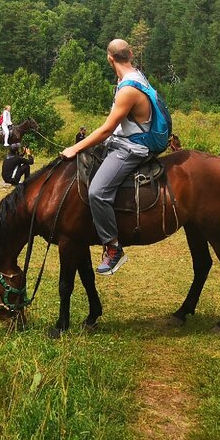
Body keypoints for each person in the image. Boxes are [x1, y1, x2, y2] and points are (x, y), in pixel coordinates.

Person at [62, 38, 158, 276]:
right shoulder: (134, 76)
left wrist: (75, 148)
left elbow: (106, 128)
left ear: (109, 58)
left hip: (133, 147)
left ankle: (113, 248)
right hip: (124, 138)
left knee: (97, 191)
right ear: (131, 54)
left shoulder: (128, 89)